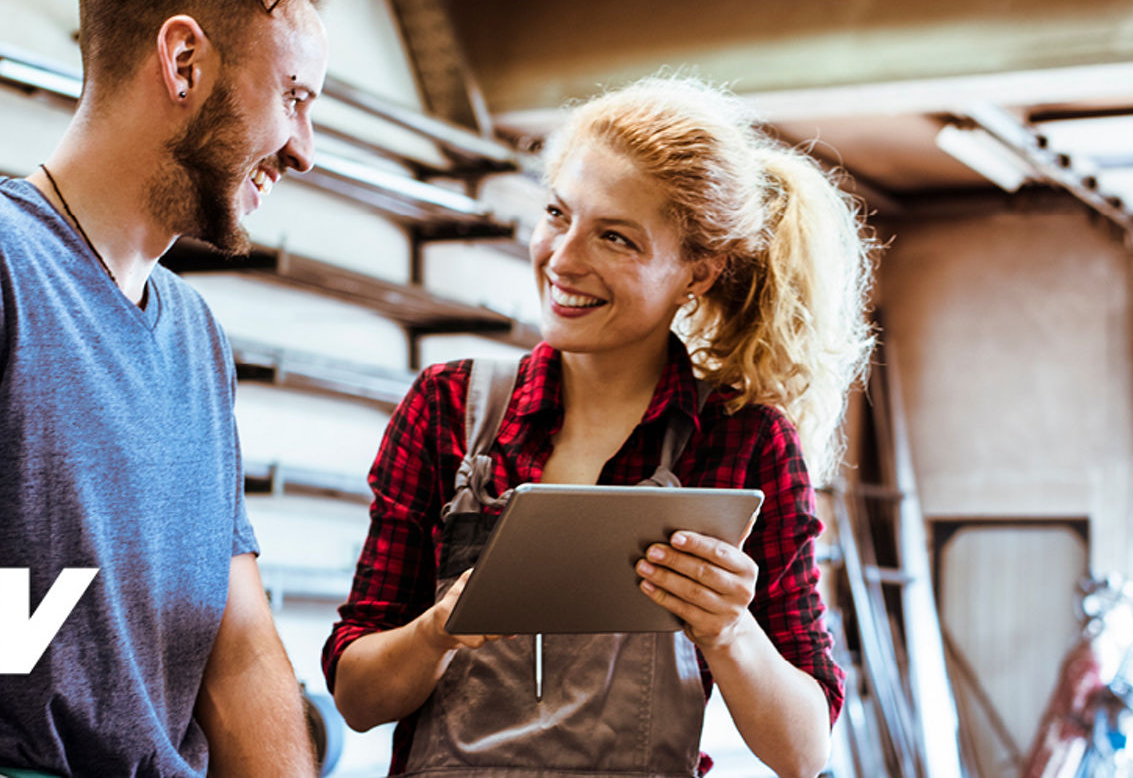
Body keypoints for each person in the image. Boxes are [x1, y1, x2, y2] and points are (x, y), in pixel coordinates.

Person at [323, 76, 876, 777]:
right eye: (557, 213)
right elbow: (357, 698)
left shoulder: (742, 443)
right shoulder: (446, 408)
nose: (563, 257)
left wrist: (729, 629)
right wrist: (439, 631)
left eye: (615, 237)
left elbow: (803, 753)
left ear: (697, 274)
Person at [0, 0, 336, 775]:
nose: (303, 149)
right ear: (184, 62)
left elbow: (234, 655)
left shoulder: (196, 337)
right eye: (296, 97)